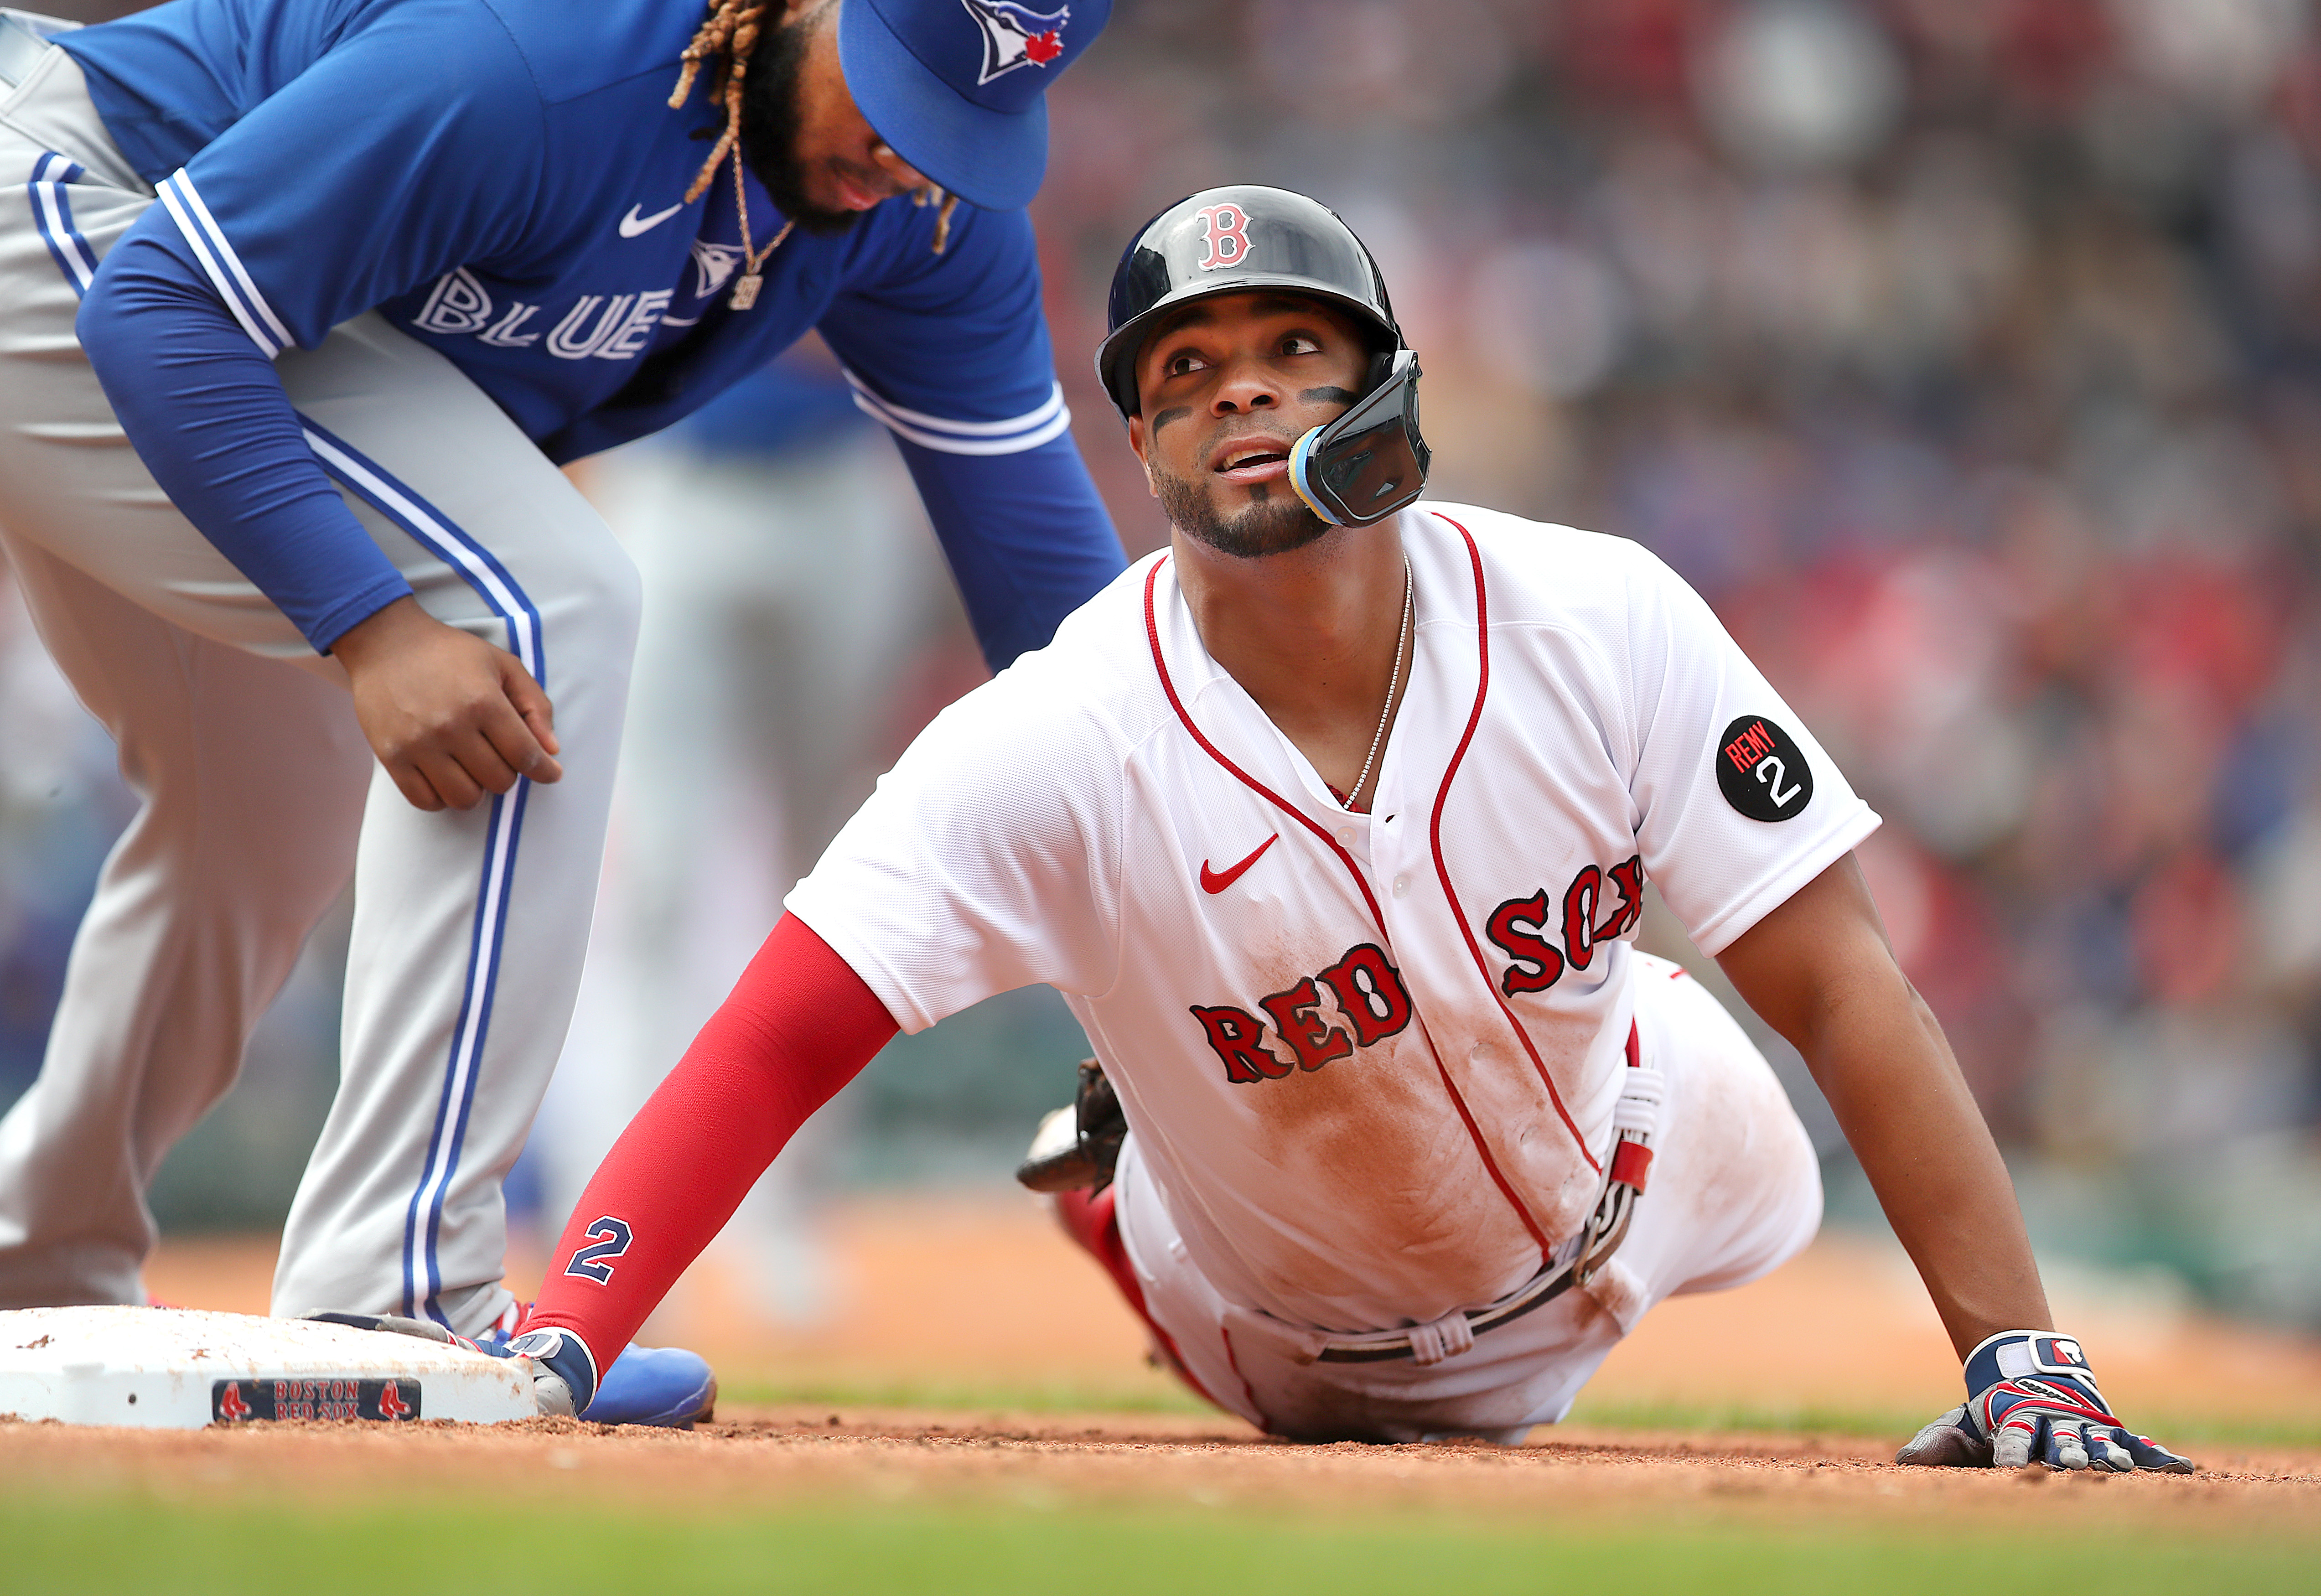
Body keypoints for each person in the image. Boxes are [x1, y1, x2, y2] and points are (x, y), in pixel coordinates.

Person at [499, 186, 2194, 1470]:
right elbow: (774, 1036)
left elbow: (1842, 984)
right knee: (1230, 1178)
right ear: (1145, 440)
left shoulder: (1599, 617)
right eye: (1189, 370)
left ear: (1386, 385)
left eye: (1291, 350)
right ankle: (1122, 1172)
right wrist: (567, 1334)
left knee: (1777, 1162)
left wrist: (2019, 1359)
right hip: (1279, 1339)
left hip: (1657, 1163)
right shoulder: (1056, 735)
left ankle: (1144, 1095)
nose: (1240, 394)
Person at [0, 0, 1124, 1426]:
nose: (914, 154)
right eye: (897, 96)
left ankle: (34, 1260)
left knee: (258, 822)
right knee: (544, 597)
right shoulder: (542, 64)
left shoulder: (925, 210)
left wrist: (1162, 925)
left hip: (222, 310)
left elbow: (1053, 604)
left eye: (972, 123)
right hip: (88, 223)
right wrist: (373, 624)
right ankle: (395, 1298)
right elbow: (160, 298)